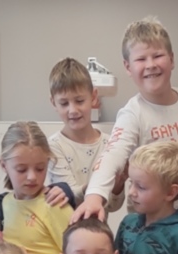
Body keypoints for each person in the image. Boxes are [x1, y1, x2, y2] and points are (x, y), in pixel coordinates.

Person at [70, 16, 178, 223]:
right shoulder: (132, 114)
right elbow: (112, 155)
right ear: (128, 67)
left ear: (172, 59)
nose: (151, 65)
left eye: (158, 55)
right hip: (151, 224)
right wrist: (94, 197)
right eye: (141, 59)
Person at [0, 121, 74, 254]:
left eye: (40, 168)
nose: (32, 177)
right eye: (21, 169)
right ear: (3, 165)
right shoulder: (6, 203)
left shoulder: (54, 205)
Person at [46, 57, 125, 212]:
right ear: (54, 103)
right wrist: (98, 188)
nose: (73, 110)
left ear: (93, 97)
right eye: (64, 103)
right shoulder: (54, 147)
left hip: (99, 227)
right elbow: (67, 198)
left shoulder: (110, 145)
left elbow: (113, 206)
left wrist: (117, 186)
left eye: (80, 101)